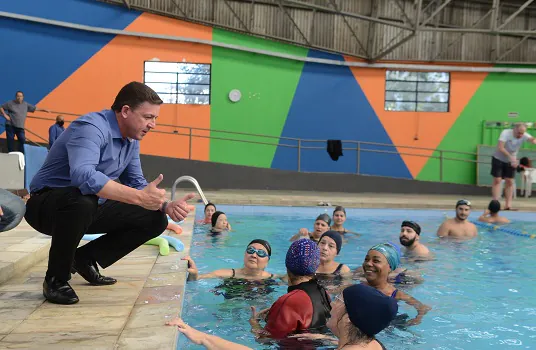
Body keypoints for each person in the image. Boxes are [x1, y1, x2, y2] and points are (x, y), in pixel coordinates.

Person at [24, 82, 196, 305]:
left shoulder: (131, 140)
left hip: (87, 207)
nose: (152, 125)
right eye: (148, 117)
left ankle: (84, 258)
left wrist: (164, 205)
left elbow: (136, 183)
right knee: (82, 199)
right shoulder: (91, 127)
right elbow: (83, 175)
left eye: (155, 119)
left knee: (154, 219)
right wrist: (140, 198)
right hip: (46, 206)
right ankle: (55, 280)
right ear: (125, 111)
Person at [167, 284, 398, 350]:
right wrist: (327, 338)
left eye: (339, 301)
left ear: (349, 319)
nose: (332, 304)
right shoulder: (372, 340)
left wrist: (202, 338)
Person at [249, 239, 332, 338]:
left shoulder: (288, 301)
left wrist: (254, 322)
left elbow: (266, 340)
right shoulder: (323, 292)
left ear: (287, 265)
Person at [362, 243, 430, 326]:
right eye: (366, 259)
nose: (368, 264)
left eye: (376, 261)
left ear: (390, 267)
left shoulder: (396, 294)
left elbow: (423, 307)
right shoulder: (354, 289)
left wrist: (417, 319)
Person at [491, 123, 536, 210]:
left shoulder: (524, 134)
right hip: (498, 158)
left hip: (511, 159)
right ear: (514, 129)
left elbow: (531, 138)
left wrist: (534, 140)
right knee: (497, 180)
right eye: (518, 133)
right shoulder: (505, 133)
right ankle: (495, 204)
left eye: (522, 133)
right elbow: (500, 147)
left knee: (509, 181)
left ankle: (508, 205)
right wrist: (510, 157)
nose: (520, 135)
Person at [183, 239, 275, 281]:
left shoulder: (274, 278)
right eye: (250, 250)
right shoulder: (227, 274)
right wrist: (194, 274)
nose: (254, 255)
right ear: (244, 254)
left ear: (267, 261)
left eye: (261, 253)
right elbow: (197, 279)